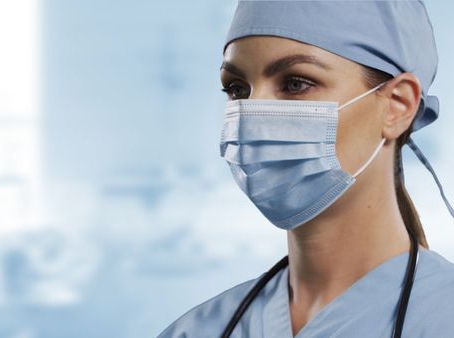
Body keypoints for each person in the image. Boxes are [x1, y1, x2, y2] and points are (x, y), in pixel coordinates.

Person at [156, 1, 454, 337]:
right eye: (237, 89)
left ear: (398, 106)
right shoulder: (198, 330)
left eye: (296, 83)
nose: (253, 116)